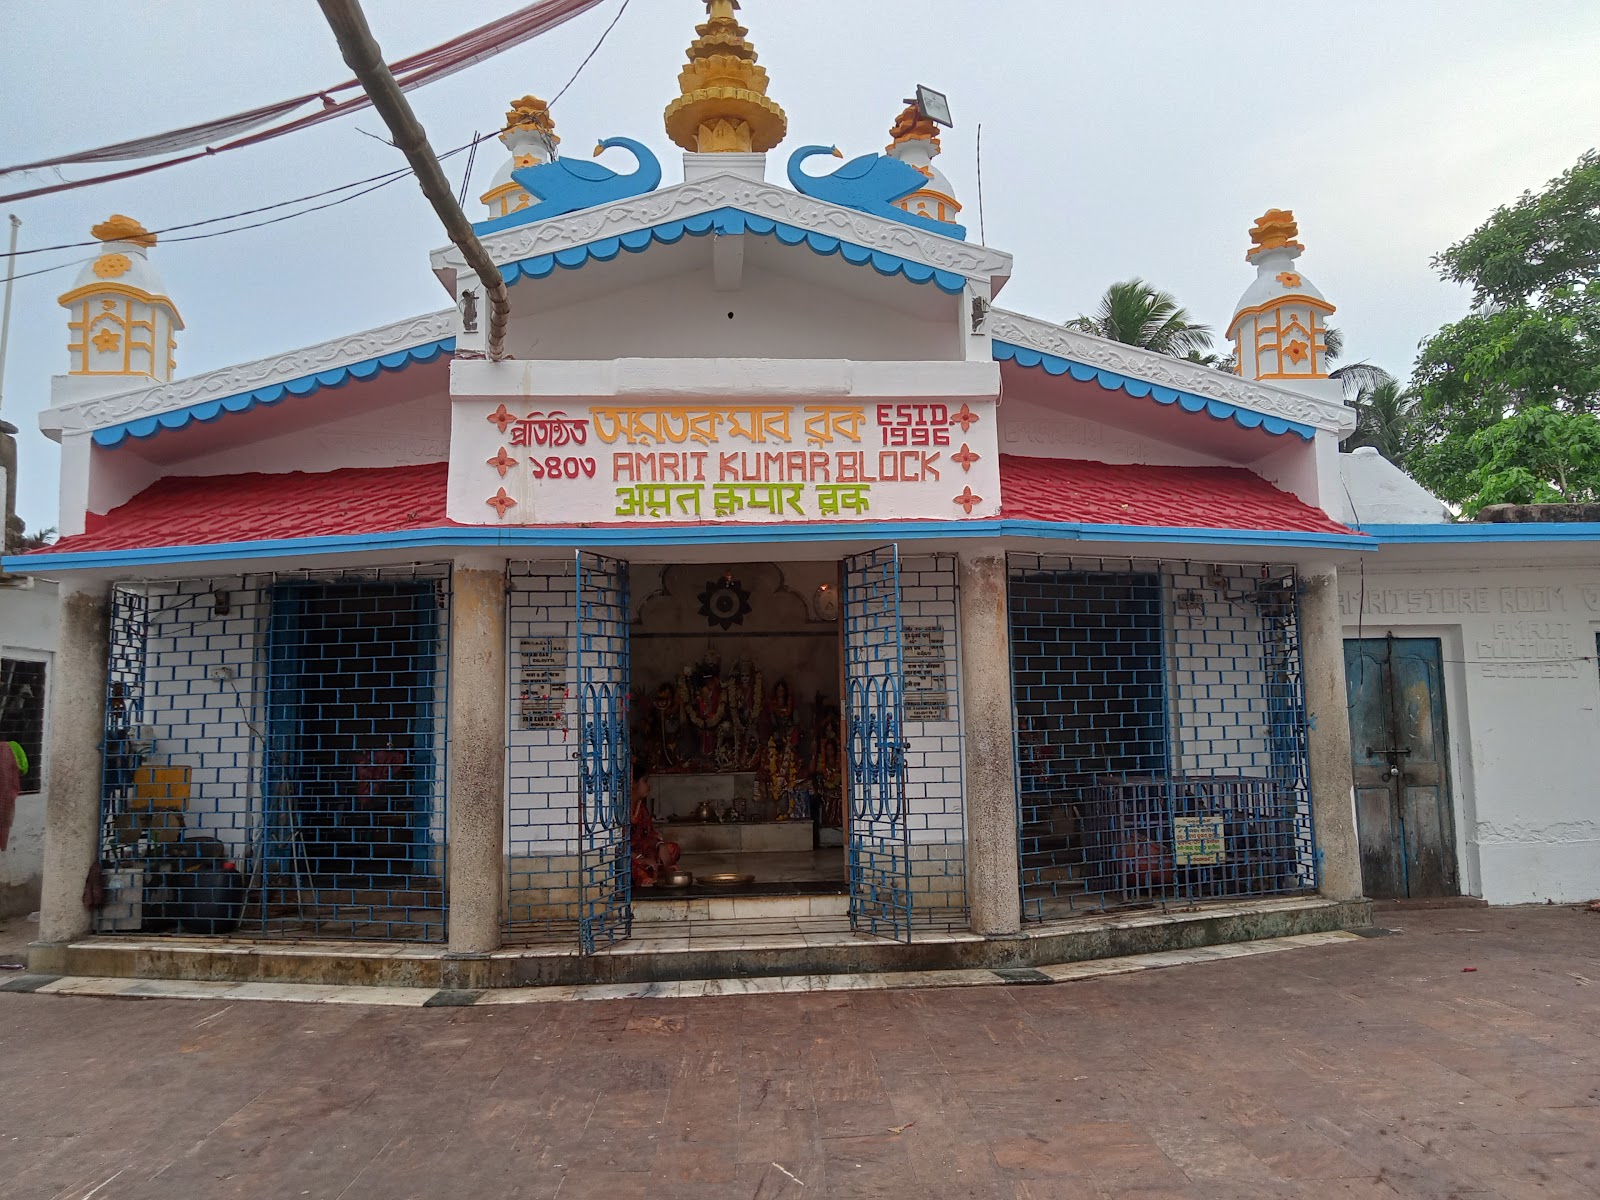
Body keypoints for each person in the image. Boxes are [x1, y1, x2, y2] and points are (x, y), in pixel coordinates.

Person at [629, 762, 680, 887]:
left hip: (642, 850)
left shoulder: (641, 807)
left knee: (672, 849)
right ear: (633, 783)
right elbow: (616, 846)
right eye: (645, 781)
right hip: (627, 854)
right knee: (630, 865)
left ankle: (655, 869)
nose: (649, 786)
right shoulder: (620, 810)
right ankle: (646, 876)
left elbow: (648, 835)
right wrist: (639, 857)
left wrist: (659, 845)